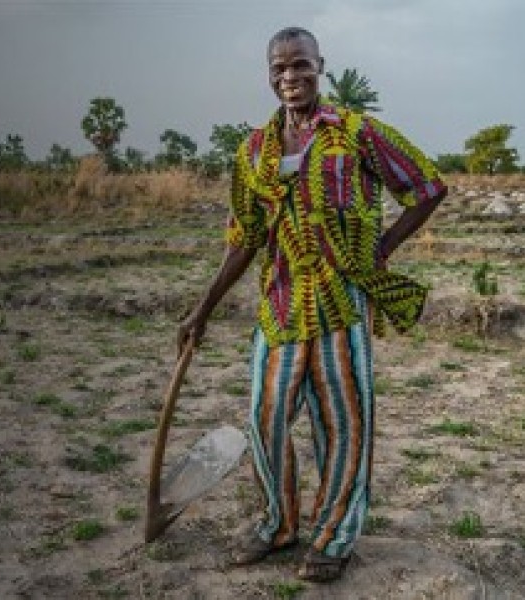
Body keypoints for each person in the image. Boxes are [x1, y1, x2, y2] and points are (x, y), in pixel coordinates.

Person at [178, 26, 447, 582]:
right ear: (269, 75)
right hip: (277, 307)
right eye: (278, 69)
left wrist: (382, 250)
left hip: (340, 306)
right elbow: (244, 237)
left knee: (343, 424)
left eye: (299, 65)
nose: (289, 77)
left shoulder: (356, 134)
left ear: (320, 65)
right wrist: (201, 309)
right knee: (264, 420)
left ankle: (335, 536)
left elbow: (427, 187)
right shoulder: (253, 150)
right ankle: (279, 524)